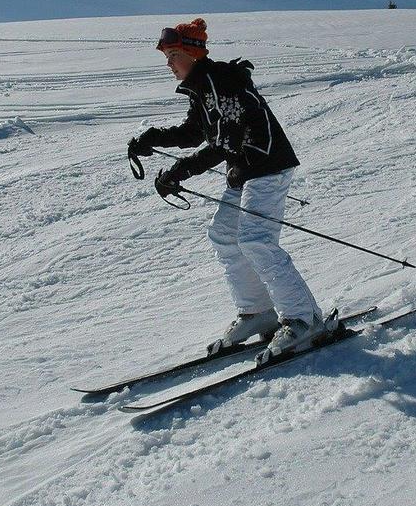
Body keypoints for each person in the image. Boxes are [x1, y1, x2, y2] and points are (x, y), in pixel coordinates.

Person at [127, 18, 325, 360]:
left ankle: (303, 319)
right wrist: (153, 139)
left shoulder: (223, 82)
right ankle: (257, 312)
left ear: (191, 53)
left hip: (267, 165)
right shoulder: (203, 87)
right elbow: (194, 133)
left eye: (173, 55)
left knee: (255, 239)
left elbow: (222, 144)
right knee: (223, 234)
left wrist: (178, 172)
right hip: (245, 172)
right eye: (167, 56)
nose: (168, 63)